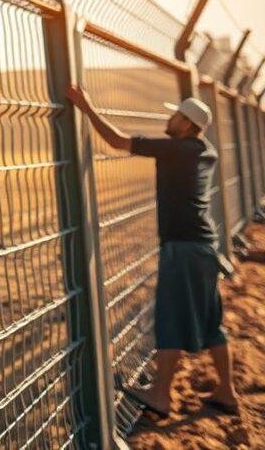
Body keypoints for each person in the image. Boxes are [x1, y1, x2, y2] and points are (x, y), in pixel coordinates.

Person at [65, 85, 239, 417]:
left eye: (175, 115)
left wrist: (86, 106)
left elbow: (118, 141)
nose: (169, 119)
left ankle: (161, 395)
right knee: (211, 319)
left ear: (186, 124)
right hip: (205, 247)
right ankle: (227, 391)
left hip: (183, 248)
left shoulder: (177, 150)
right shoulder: (205, 150)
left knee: (171, 316)